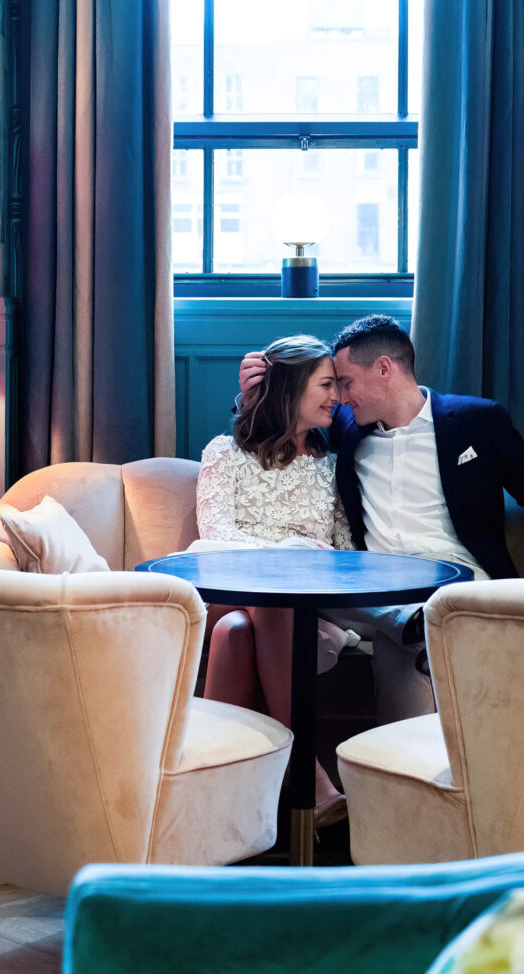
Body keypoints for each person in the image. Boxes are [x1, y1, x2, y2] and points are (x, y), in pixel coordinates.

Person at [239, 315, 524, 659]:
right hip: (380, 589)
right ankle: (407, 625)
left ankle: (422, 628)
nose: (340, 396)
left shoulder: (477, 420)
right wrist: (255, 390)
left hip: (460, 582)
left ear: (384, 368)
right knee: (302, 569)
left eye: (346, 382)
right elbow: (288, 415)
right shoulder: (349, 426)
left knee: (433, 625)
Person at [197, 335, 354, 829]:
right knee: (267, 592)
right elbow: (215, 533)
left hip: (300, 610)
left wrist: (305, 564)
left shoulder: (332, 467)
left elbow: (346, 553)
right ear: (290, 389)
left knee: (237, 633)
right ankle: (308, 775)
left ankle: (221, 817)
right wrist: (285, 556)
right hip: (228, 589)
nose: (338, 397)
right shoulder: (224, 453)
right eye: (327, 385)